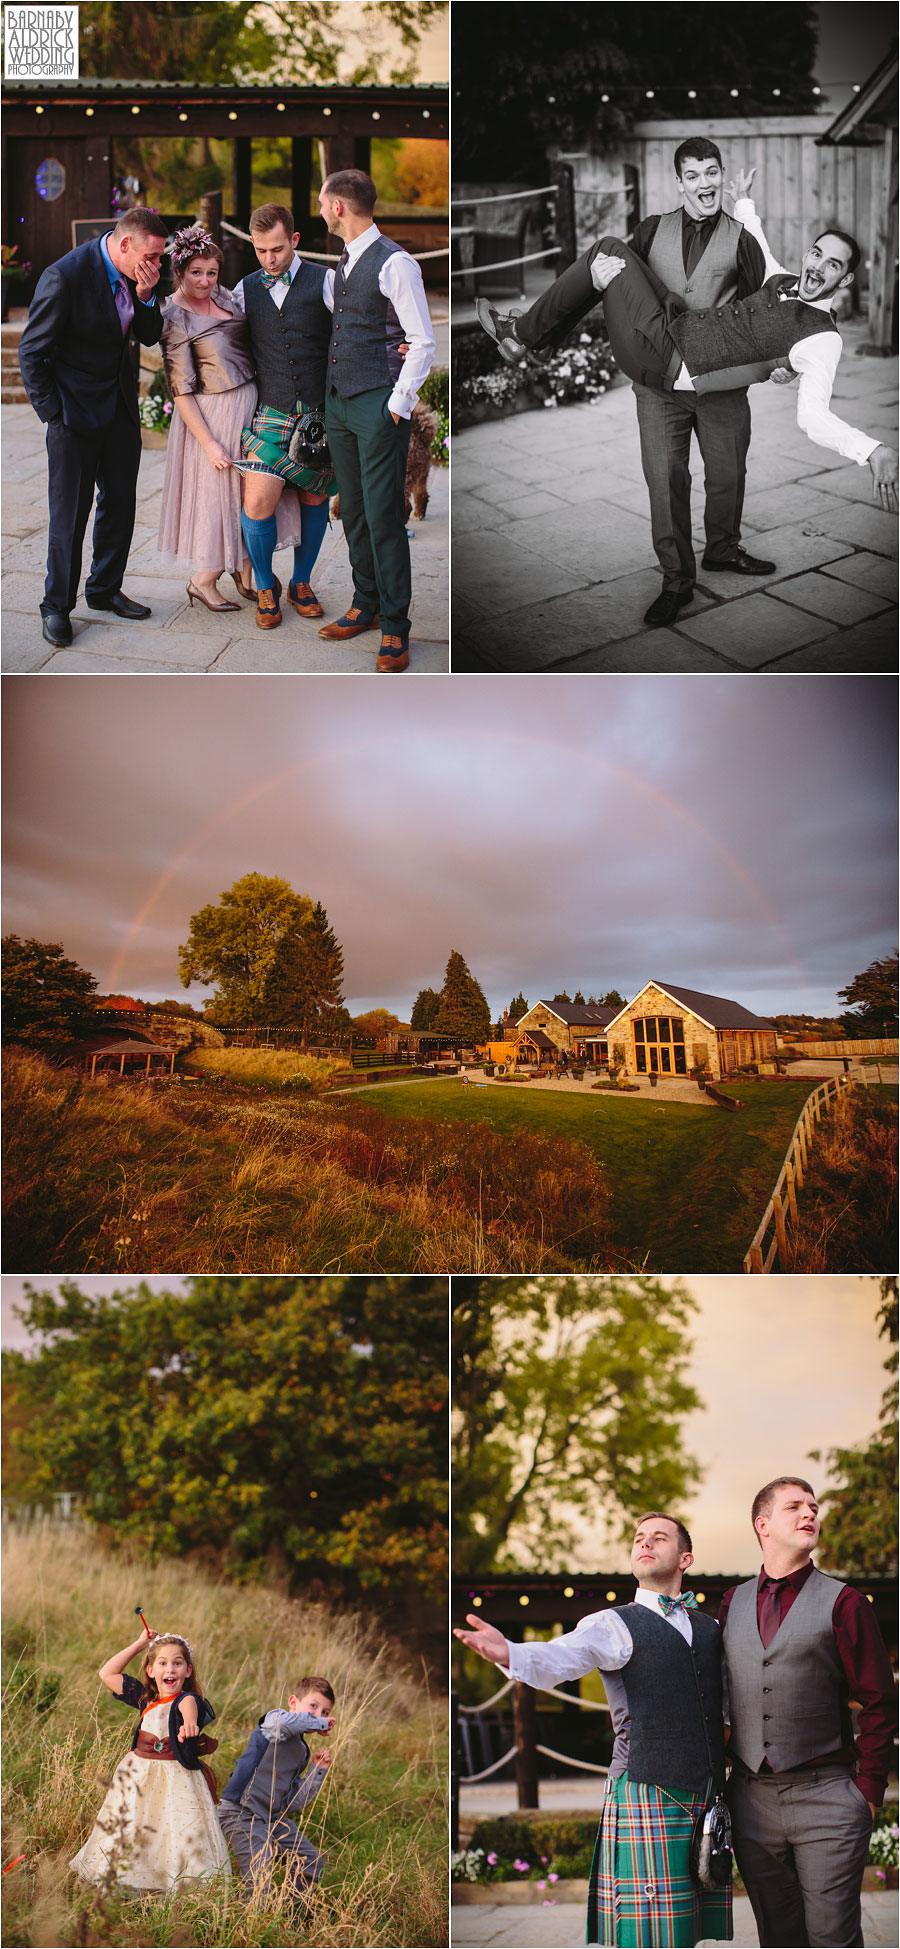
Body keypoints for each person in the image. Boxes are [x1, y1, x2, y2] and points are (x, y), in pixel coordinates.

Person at [477, 138, 773, 628]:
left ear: (722, 175)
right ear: (679, 183)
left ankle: (723, 548)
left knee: (728, 474)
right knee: (665, 482)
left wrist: (772, 361)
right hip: (659, 385)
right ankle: (677, 581)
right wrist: (595, 279)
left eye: (712, 172)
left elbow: (758, 313)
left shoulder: (741, 240)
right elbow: (622, 289)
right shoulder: (652, 229)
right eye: (694, 175)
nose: (705, 183)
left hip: (719, 382)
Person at [483, 192, 899, 517]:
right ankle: (538, 344)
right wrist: (745, 200)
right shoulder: (783, 279)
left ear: (843, 279)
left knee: (606, 249)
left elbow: (813, 417)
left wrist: (870, 450)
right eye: (816, 254)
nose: (817, 266)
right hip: (674, 323)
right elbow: (759, 239)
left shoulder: (822, 338)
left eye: (831, 265)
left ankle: (522, 334)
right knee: (609, 256)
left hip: (666, 357)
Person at [455, 1514, 732, 1947]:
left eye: (659, 1538)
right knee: (648, 1933)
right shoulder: (612, 1623)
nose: (645, 1543)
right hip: (646, 1789)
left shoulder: (710, 1628)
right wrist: (509, 1652)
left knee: (687, 1928)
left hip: (705, 1795)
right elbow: (563, 1656)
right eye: (639, 1538)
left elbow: (725, 1703)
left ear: (685, 1557)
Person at [720, 1476, 896, 1949]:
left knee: (832, 1937)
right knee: (778, 1938)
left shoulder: (845, 1602)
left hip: (829, 1797)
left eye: (814, 1507)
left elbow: (880, 1700)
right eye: (795, 1506)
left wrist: (869, 1789)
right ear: (763, 1525)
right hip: (751, 1799)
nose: (810, 1514)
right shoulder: (730, 1602)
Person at [18, 206, 169, 649]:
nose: (158, 265)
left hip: (119, 409)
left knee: (120, 503)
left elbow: (148, 335)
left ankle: (104, 589)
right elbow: (32, 351)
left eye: (160, 258)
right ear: (126, 245)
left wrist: (145, 295)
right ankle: (56, 607)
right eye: (154, 256)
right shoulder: (64, 276)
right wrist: (53, 414)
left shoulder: (138, 275)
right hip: (72, 416)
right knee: (70, 515)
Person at [318, 168, 437, 672]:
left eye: (323, 203)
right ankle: (364, 604)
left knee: (386, 516)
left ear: (339, 207)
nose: (321, 210)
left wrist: (398, 402)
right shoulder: (344, 262)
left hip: (378, 405)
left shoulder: (397, 263)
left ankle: (395, 627)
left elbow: (423, 340)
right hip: (340, 404)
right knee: (355, 511)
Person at [157, 224, 304, 611]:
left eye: (211, 272)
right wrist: (209, 445)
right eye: (196, 273)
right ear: (180, 272)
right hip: (213, 412)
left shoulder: (225, 295)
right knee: (218, 498)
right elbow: (181, 390)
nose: (205, 281)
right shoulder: (174, 315)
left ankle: (242, 568)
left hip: (251, 404)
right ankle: (202, 580)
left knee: (249, 494)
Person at [231, 203, 336, 633]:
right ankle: (263, 584)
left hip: (318, 414)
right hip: (270, 412)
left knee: (315, 499)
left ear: (293, 240)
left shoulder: (326, 281)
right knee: (257, 501)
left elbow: (357, 329)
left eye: (276, 249)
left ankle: (302, 582)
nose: (269, 259)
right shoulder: (243, 288)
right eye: (260, 251)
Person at [70, 1626, 230, 1891]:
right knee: (136, 1824)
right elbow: (107, 1673)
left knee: (174, 1828)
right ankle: (129, 1879)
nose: (171, 1670)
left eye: (178, 1663)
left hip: (175, 1779)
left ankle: (175, 1882)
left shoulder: (187, 1699)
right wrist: (138, 1644)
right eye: (163, 1663)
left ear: (187, 1671)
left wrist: (189, 1725)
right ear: (151, 1670)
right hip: (139, 1774)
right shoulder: (146, 1699)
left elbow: (190, 1709)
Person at [216, 1675, 336, 1908]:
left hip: (271, 1819)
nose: (319, 1715)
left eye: (325, 1711)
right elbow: (284, 1724)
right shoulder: (275, 1720)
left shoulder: (301, 1751)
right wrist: (320, 1723)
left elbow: (293, 1803)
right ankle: (248, 1925)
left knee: (311, 1862)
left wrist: (316, 1772)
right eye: (313, 1706)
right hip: (241, 1813)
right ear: (293, 1702)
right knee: (260, 1877)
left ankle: (292, 1916)